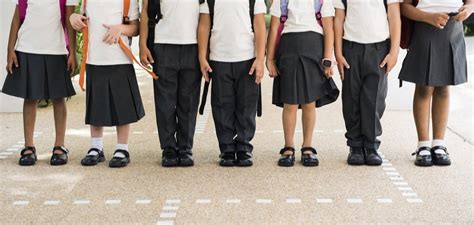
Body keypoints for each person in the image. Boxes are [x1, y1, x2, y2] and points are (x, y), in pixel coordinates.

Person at [70, 0, 145, 168]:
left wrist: (120, 29)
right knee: (96, 103)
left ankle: (122, 147)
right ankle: (96, 146)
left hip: (120, 58)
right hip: (94, 58)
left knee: (122, 105)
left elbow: (136, 27)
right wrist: (74, 18)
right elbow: (81, 20)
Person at [2, 0, 78, 166]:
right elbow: (17, 17)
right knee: (30, 97)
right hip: (27, 47)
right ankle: (29, 147)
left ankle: (59, 146)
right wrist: (10, 49)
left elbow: (69, 18)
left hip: (56, 48)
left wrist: (72, 51)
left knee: (59, 98)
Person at [266, 0, 339, 167]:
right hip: (288, 48)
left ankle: (307, 146)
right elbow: (275, 26)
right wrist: (269, 58)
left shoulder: (321, 1)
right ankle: (288, 147)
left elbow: (328, 28)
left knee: (309, 102)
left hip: (313, 48)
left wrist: (328, 58)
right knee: (290, 102)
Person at [399, 0, 472, 166]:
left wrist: (469, 9)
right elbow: (405, 6)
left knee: (444, 88)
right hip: (425, 27)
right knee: (424, 87)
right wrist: (427, 17)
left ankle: (439, 144)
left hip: (452, 28)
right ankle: (423, 145)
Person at [197, 0, 266, 167]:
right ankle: (226, 148)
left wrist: (259, 58)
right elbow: (204, 25)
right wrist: (201, 56)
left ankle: (244, 147)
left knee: (246, 105)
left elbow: (259, 25)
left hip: (247, 58)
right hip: (219, 59)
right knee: (222, 105)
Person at [334, 0, 401, 166]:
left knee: (375, 99)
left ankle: (371, 146)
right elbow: (338, 19)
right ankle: (355, 146)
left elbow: (394, 16)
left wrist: (394, 52)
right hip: (350, 48)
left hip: (379, 49)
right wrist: (338, 52)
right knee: (351, 98)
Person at [139, 0, 202, 167]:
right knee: (164, 101)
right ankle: (168, 148)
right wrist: (142, 44)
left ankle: (185, 147)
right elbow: (145, 10)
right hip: (162, 43)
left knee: (188, 101)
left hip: (194, 44)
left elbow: (208, 12)